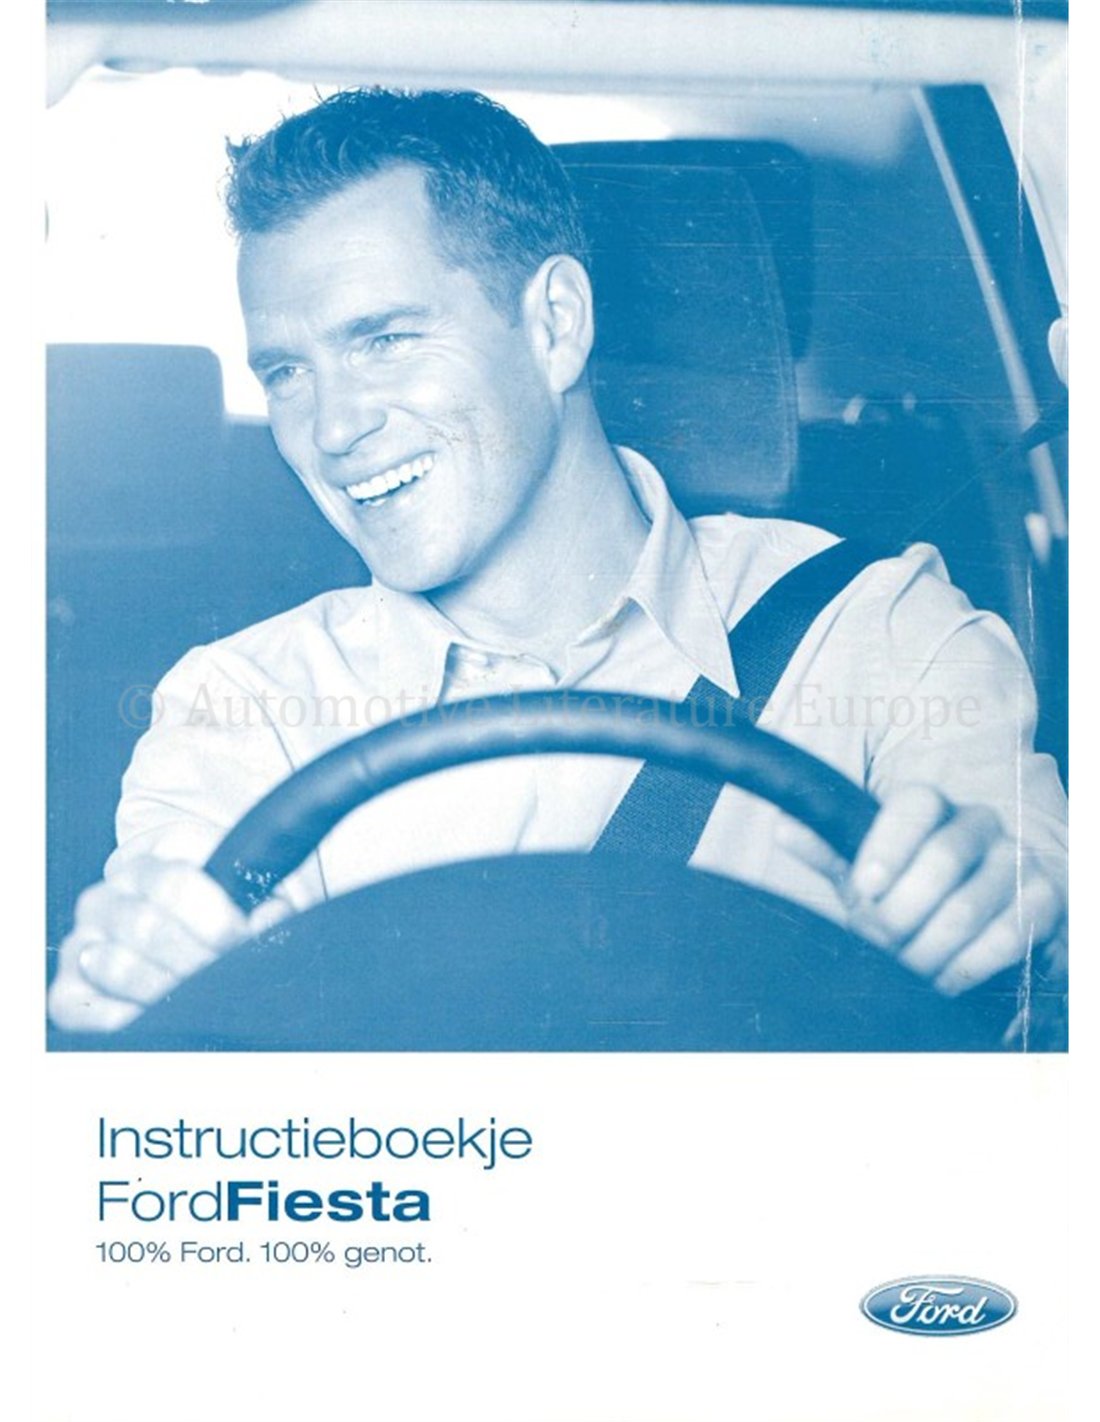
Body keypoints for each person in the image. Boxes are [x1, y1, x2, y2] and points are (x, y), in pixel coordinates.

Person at [47, 88, 1067, 1035]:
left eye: (385, 340)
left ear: (554, 325)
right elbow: (187, 958)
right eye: (285, 372)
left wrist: (1012, 911)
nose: (332, 428)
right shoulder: (242, 706)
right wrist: (147, 971)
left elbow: (1031, 888)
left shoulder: (879, 631)